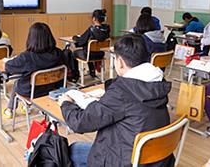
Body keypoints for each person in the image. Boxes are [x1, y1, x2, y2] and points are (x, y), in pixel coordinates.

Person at [58, 34, 174, 167]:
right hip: (154, 159)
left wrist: (66, 103)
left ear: (120, 62)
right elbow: (131, 99)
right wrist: (109, 93)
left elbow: (80, 123)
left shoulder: (121, 94)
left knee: (72, 151)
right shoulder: (157, 82)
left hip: (126, 160)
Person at [2, 23, 64, 119]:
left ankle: (10, 110)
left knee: (17, 83)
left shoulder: (26, 57)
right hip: (52, 89)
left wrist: (8, 60)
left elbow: (8, 67)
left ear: (31, 38)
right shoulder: (59, 53)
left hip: (32, 92)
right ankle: (26, 106)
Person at [72, 9, 110, 78]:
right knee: (89, 50)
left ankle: (75, 75)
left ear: (94, 18)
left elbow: (81, 41)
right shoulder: (107, 29)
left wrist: (75, 37)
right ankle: (92, 73)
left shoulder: (91, 29)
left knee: (74, 53)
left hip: (89, 55)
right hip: (101, 54)